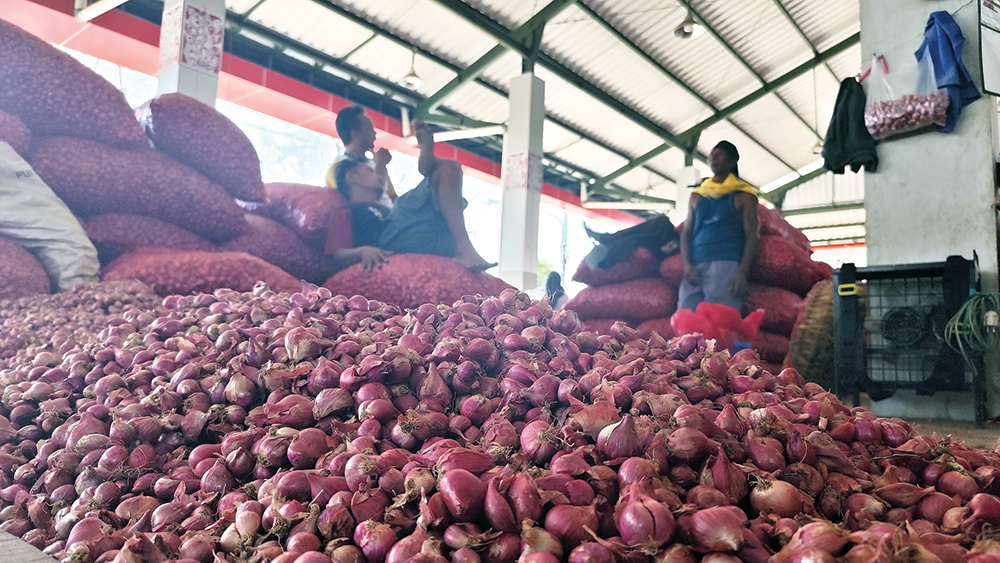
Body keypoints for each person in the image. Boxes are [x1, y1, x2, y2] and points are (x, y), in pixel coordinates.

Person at [329, 119, 495, 272]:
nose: (378, 176)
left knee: (450, 168)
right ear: (352, 178)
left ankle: (430, 165)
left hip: (420, 234)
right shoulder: (346, 211)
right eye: (370, 171)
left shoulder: (383, 208)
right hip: (389, 240)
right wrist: (363, 251)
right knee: (411, 198)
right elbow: (337, 254)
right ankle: (429, 166)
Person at [678, 141, 759, 312]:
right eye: (711, 154)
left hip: (726, 262)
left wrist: (742, 272)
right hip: (696, 263)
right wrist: (687, 265)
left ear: (732, 161)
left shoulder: (744, 195)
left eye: (719, 154)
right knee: (685, 319)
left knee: (720, 323)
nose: (713, 157)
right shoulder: (697, 195)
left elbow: (752, 235)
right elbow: (686, 233)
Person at [326, 105, 397, 208]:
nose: (375, 133)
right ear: (355, 134)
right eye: (369, 129)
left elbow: (393, 198)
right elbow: (360, 201)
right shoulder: (338, 169)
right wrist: (381, 165)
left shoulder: (374, 163)